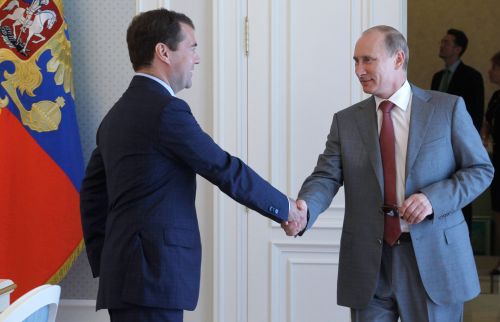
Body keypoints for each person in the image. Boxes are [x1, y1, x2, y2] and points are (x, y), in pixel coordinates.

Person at [79, 9, 306, 322]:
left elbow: (91, 195)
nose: (197, 59)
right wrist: (285, 208)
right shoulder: (166, 110)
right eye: (192, 47)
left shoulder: (115, 115)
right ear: (164, 52)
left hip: (125, 278)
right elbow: (223, 168)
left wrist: (108, 260)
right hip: (152, 278)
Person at [283, 25, 493, 321]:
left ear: (398, 59)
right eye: (355, 61)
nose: (359, 70)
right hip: (370, 264)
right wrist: (306, 208)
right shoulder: (346, 121)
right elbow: (326, 176)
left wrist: (433, 199)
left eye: (367, 60)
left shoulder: (447, 109)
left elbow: (480, 170)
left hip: (433, 261)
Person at [431, 28, 485, 232]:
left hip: (461, 143)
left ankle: (463, 239)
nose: (441, 45)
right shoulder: (437, 77)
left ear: (458, 49)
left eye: (446, 42)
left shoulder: (472, 76)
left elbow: (476, 114)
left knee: (462, 190)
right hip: (438, 144)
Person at [481, 51, 500, 274]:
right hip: (497, 160)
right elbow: (486, 122)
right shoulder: (496, 98)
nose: (490, 71)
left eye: (494, 67)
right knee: (497, 210)